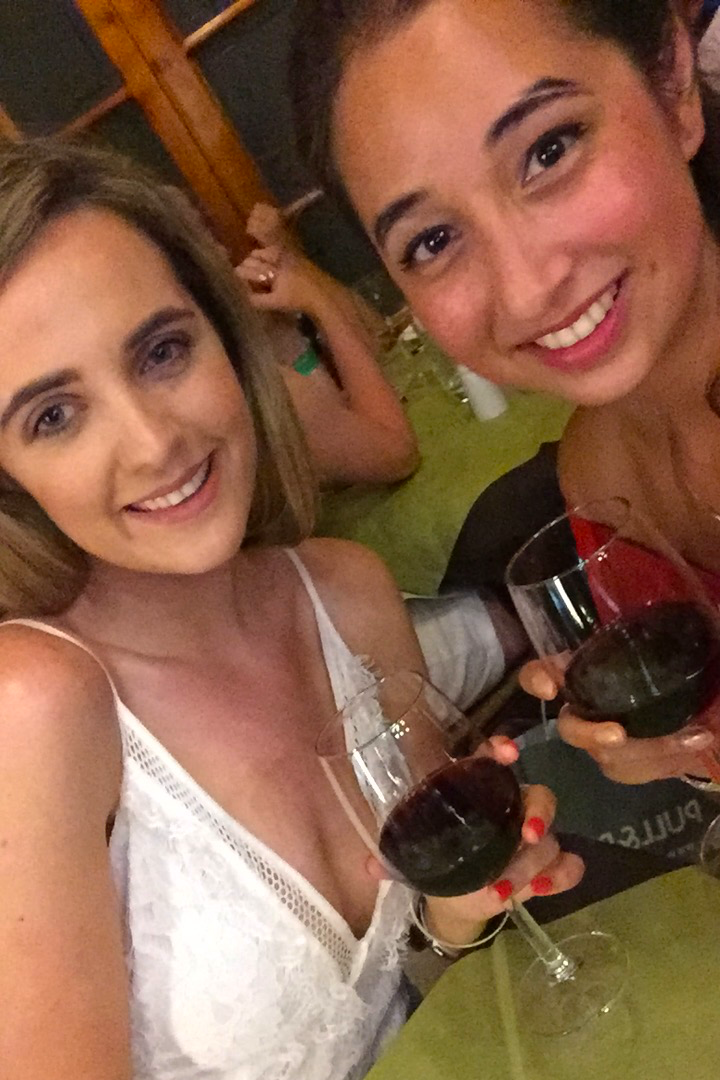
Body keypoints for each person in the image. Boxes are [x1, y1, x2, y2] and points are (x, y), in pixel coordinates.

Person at [0, 138, 582, 1080]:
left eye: (162, 351)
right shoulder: (33, 704)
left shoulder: (349, 594)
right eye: (53, 417)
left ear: (228, 339)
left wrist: (464, 909)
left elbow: (418, 967)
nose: (153, 442)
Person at [289, 0, 720, 802]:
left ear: (672, 81)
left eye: (548, 151)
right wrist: (680, 750)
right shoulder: (596, 475)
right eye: (433, 241)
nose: (525, 290)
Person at [237, 203, 528, 710]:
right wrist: (317, 302)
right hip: (304, 664)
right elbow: (394, 452)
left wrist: (287, 330)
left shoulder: (245, 370)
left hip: (294, 623)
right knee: (513, 601)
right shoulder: (239, 394)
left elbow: (367, 360)